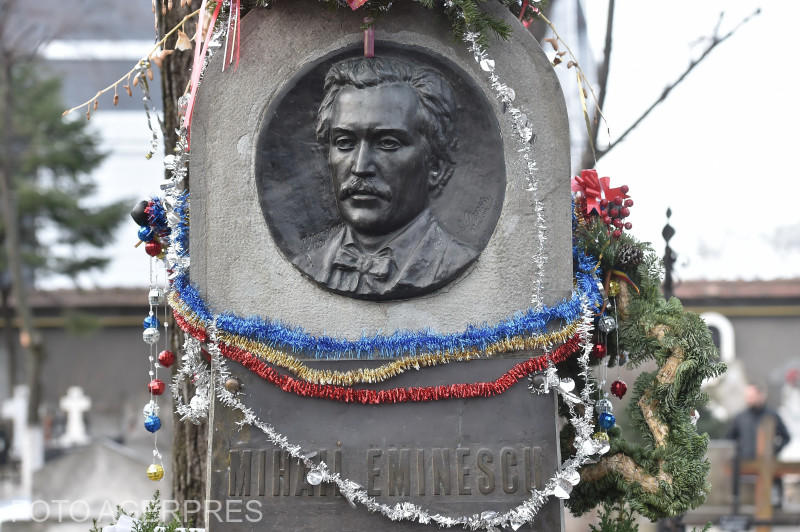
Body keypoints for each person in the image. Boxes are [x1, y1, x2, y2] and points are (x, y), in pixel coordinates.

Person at [297, 56, 477, 300]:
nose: (360, 167)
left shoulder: (453, 261)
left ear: (436, 165)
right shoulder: (309, 264)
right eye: (344, 142)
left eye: (387, 143)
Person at [727, 383, 791, 506]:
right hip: (746, 462)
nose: (749, 399)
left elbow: (786, 437)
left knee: (775, 481)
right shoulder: (740, 417)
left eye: (752, 396)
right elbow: (729, 439)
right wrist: (739, 451)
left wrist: (775, 450)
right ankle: (736, 502)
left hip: (768, 462)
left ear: (761, 395)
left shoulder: (772, 416)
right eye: (747, 396)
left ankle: (777, 503)